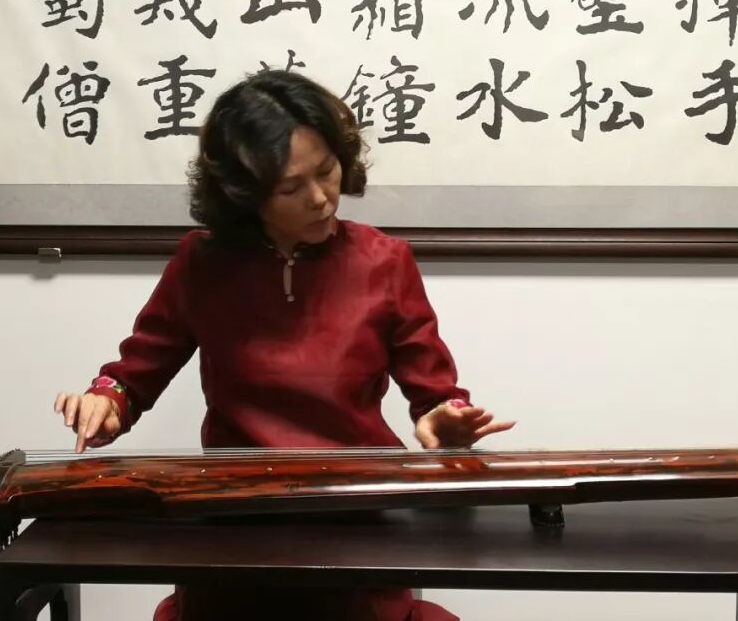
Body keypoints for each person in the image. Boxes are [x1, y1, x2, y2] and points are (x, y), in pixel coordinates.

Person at [53, 68, 515, 621]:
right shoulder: (203, 263)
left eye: (327, 171)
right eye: (291, 188)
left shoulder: (384, 261)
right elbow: (132, 376)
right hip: (235, 520)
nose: (321, 199)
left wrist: (446, 420)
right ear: (244, 195)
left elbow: (435, 393)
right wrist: (105, 403)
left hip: (358, 517)